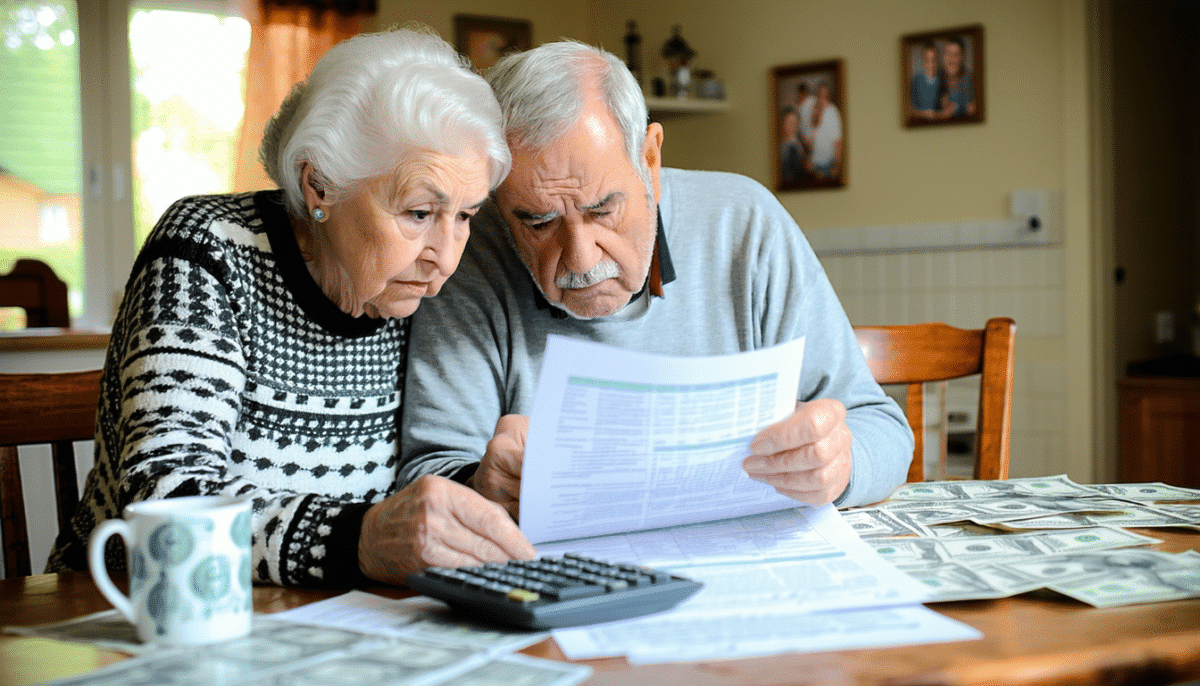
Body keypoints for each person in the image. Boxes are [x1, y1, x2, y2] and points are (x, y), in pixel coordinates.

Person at [47, 28, 536, 587]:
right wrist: (359, 540)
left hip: (334, 617)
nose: (445, 257)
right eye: (419, 213)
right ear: (319, 187)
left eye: (466, 215)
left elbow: (411, 509)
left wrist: (480, 491)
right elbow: (167, 501)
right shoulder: (205, 251)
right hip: (123, 609)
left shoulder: (411, 292)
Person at [399, 40, 912, 527]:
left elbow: (880, 427)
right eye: (539, 223)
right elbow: (427, 478)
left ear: (650, 161)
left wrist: (839, 465)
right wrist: (480, 486)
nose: (581, 257)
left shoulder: (745, 224)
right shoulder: (468, 252)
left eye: (603, 210)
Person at [805, 80, 843, 179]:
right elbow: (808, 140)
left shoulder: (832, 111)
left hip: (828, 164)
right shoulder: (812, 111)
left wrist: (836, 164)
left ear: (827, 95)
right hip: (814, 164)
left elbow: (837, 141)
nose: (822, 96)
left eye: (824, 93)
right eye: (820, 93)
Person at [938, 37, 976, 119]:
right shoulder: (934, 78)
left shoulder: (971, 79)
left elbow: (974, 110)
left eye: (956, 54)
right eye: (949, 54)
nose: (952, 59)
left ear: (962, 57)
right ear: (943, 57)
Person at [910, 42, 942, 119]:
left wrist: (937, 114)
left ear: (938, 61)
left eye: (934, 60)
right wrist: (923, 114)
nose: (931, 65)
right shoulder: (916, 80)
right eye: (927, 60)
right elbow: (909, 109)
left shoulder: (942, 80)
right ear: (923, 61)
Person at [779, 106, 803, 185]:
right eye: (789, 123)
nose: (793, 127)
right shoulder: (778, 149)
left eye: (795, 123)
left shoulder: (804, 147)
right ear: (782, 124)